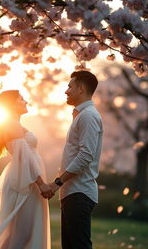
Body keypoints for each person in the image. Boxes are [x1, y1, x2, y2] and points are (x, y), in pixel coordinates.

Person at [0, 90, 52, 249]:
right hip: (24, 181)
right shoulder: (12, 125)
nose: (26, 102)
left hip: (27, 178)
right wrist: (41, 184)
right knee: (21, 234)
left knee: (21, 233)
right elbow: (23, 157)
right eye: (21, 99)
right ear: (11, 104)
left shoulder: (15, 124)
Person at [48, 70, 103, 249]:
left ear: (80, 89)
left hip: (79, 193)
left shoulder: (88, 116)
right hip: (73, 193)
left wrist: (58, 182)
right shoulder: (81, 115)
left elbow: (86, 156)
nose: (66, 91)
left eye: (70, 86)